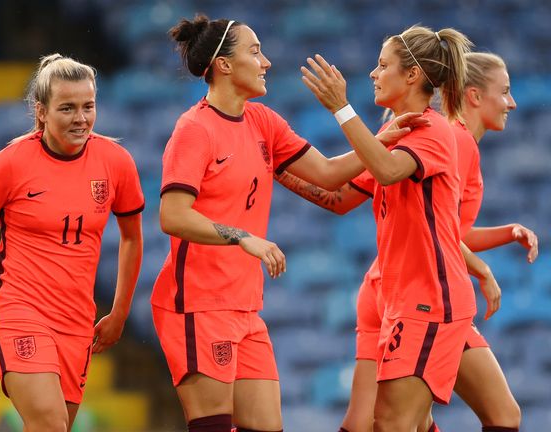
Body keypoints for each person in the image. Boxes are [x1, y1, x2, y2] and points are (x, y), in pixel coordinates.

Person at [151, 15, 430, 432]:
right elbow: (172, 216)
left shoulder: (263, 120)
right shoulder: (194, 129)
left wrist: (380, 140)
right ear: (224, 65)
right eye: (255, 51)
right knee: (212, 425)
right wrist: (243, 237)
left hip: (246, 307)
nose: (266, 62)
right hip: (198, 304)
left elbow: (330, 174)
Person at [281, 51, 535, 432]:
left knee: (376, 421)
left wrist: (275, 165)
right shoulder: (450, 139)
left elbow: (345, 199)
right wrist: (481, 266)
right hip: (423, 292)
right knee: (430, 419)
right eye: (506, 91)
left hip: (390, 287)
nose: (512, 102)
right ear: (475, 95)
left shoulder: (413, 133)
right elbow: (441, 230)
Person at [0, 53, 145, 432]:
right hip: (19, 312)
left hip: (76, 322)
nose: (81, 118)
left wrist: (119, 313)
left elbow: (133, 238)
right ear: (41, 111)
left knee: (56, 426)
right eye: (67, 108)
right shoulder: (10, 162)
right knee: (50, 424)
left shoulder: (116, 162)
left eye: (88, 106)